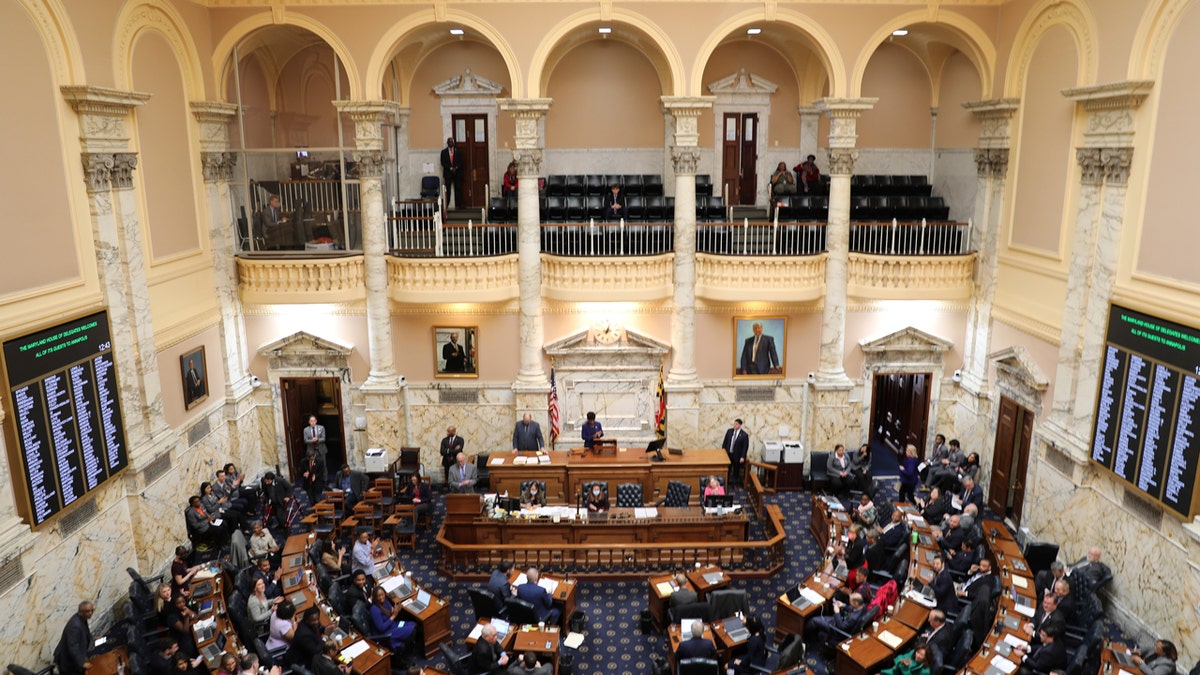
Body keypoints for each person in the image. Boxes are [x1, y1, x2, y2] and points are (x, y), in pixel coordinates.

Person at [370, 586, 416, 650]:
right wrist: (394, 615)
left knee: (413, 624)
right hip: (385, 633)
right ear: (375, 597)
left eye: (382, 595)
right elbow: (381, 628)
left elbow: (391, 611)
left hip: (392, 625)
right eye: (378, 596)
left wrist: (395, 610)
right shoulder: (374, 610)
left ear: (385, 594)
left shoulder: (385, 601)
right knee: (412, 630)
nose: (381, 597)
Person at [54, 601, 94, 675]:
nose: (91, 613)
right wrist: (82, 663)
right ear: (80, 612)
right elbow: (73, 647)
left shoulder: (82, 618)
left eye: (92, 610)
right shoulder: (75, 625)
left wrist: (92, 638)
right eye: (88, 611)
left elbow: (85, 631)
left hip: (73, 658)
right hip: (67, 661)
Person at [721, 418, 750, 485]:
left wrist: (743, 457)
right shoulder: (729, 431)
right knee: (728, 469)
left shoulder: (744, 435)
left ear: (740, 425)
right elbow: (725, 442)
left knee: (736, 470)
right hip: (728, 454)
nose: (734, 425)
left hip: (737, 455)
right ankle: (726, 483)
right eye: (734, 423)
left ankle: (734, 484)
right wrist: (723, 452)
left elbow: (745, 447)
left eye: (736, 424)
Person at [440, 137, 462, 209]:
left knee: (458, 188)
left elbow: (461, 162)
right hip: (448, 173)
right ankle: (446, 204)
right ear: (447, 143)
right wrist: (450, 168)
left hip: (457, 173)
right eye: (449, 142)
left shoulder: (458, 151)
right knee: (447, 190)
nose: (451, 143)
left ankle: (460, 204)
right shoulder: (444, 152)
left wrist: (456, 168)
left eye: (452, 142)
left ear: (453, 143)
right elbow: (443, 162)